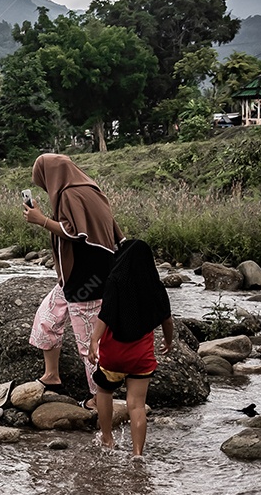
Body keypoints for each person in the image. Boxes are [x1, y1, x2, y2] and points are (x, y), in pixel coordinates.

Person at [24, 153, 123, 408]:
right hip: (77, 276)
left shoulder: (71, 193)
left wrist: (41, 220)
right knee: (47, 319)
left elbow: (76, 233)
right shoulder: (91, 189)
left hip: (87, 277)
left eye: (44, 182)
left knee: (88, 340)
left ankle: (99, 397)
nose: (46, 188)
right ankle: (52, 375)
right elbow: (113, 231)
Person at [87, 239, 174, 458]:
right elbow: (167, 319)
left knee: (104, 391)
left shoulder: (115, 280)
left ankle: (107, 439)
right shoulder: (154, 284)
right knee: (136, 405)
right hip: (140, 356)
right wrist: (168, 340)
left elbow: (105, 315)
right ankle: (137, 454)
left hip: (114, 353)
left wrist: (94, 341)